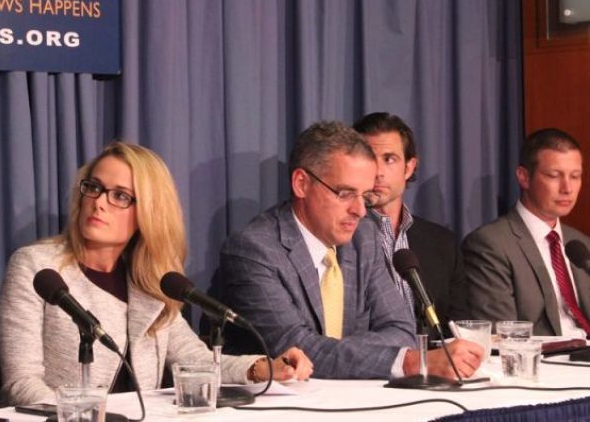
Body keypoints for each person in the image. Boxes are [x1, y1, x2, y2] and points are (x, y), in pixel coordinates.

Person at [0, 141, 312, 406]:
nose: (99, 203)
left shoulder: (150, 281)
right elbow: (22, 383)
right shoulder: (37, 267)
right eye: (94, 187)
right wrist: (82, 414)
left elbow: (194, 360)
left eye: (120, 196)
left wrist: (263, 367)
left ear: (148, 211)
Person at [217, 121, 483, 380]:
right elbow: (293, 349)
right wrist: (410, 361)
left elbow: (402, 330)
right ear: (301, 184)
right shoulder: (255, 250)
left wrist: (334, 352)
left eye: (365, 196)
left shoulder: (363, 237)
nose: (360, 211)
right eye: (344, 193)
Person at [463, 128, 590, 337]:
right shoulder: (489, 244)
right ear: (524, 177)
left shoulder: (580, 244)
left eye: (575, 176)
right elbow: (503, 333)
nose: (567, 188)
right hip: (543, 355)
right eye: (554, 176)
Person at [352, 112, 467, 336]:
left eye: (389, 159)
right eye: (369, 158)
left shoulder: (443, 243)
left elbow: (460, 326)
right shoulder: (339, 237)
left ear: (409, 167)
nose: (378, 172)